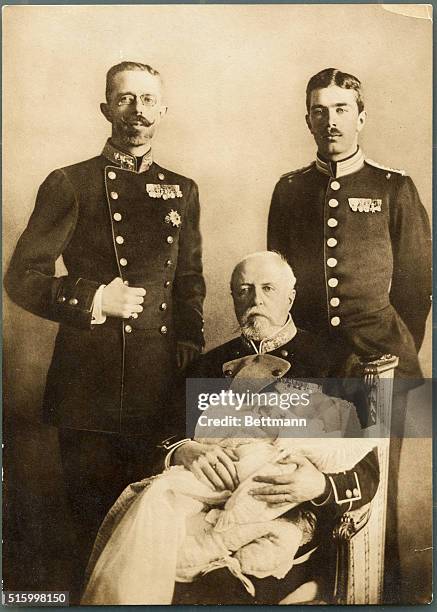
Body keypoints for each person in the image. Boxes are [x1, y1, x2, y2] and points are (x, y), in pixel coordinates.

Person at [4, 61, 205, 591]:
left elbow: (190, 281)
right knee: (95, 529)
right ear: (105, 108)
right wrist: (95, 297)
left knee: (156, 531)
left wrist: (191, 347)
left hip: (161, 389)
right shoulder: (70, 183)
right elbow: (21, 277)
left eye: (147, 99)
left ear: (163, 110)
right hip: (90, 388)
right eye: (124, 99)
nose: (137, 111)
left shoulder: (182, 189)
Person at [83, 252, 379, 605]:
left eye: (268, 288)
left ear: (291, 295)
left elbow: (368, 469)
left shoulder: (335, 362)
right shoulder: (206, 367)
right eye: (244, 291)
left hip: (286, 515)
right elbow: (158, 438)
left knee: (216, 590)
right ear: (233, 297)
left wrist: (317, 485)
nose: (256, 300)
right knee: (146, 557)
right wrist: (184, 450)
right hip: (195, 507)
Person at [267, 68, 431, 388]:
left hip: (381, 356)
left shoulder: (394, 187)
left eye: (342, 109)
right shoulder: (289, 189)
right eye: (320, 111)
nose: (331, 121)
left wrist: (397, 348)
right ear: (308, 121)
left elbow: (417, 282)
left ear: (360, 118)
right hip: (310, 360)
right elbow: (277, 279)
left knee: (374, 439)